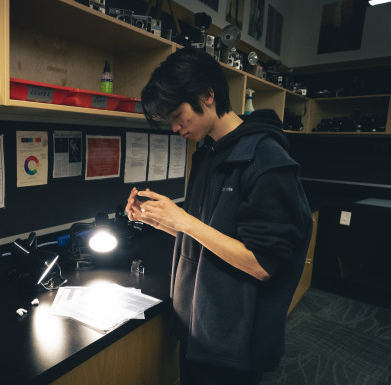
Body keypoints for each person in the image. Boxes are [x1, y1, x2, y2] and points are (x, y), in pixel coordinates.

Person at [125, 47, 312, 385]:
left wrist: (184, 221)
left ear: (207, 96)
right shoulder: (208, 152)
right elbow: (210, 235)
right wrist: (160, 220)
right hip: (198, 323)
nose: (176, 127)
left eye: (178, 114)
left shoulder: (268, 161)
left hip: (234, 338)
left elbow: (262, 263)